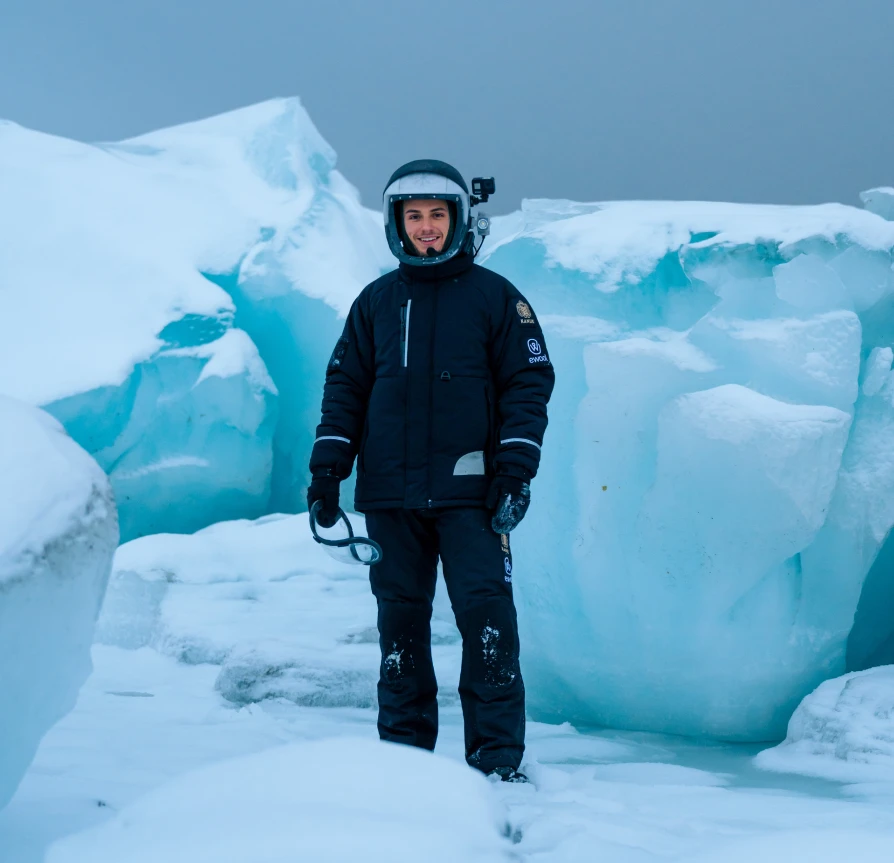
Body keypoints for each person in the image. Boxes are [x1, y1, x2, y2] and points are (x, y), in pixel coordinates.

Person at [307, 159, 554, 782]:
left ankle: (496, 762)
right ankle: (404, 764)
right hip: (390, 494)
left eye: (437, 216)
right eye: (413, 217)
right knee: (401, 627)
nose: (425, 229)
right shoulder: (376, 302)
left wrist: (514, 473)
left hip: (474, 496)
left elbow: (528, 383)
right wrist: (328, 471)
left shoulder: (497, 298)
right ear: (396, 224)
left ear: (459, 220)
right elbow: (345, 388)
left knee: (487, 619)